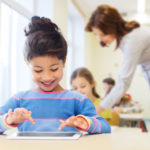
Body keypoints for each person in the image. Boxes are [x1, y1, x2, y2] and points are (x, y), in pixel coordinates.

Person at [0, 16, 111, 134]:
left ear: (63, 61)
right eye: (38, 70)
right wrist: (9, 120)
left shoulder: (77, 100)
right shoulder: (19, 100)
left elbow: (105, 126)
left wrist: (85, 123)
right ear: (27, 63)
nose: (47, 77)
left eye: (54, 69)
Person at [85, 4, 150, 114]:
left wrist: (99, 108)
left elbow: (123, 82)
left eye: (103, 34)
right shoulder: (125, 39)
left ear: (113, 27)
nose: (100, 39)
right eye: (97, 34)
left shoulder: (132, 40)